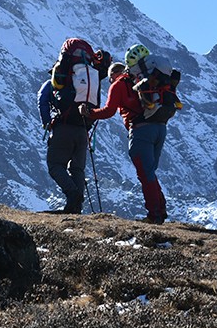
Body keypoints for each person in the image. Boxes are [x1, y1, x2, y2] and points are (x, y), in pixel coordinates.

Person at [79, 53, 169, 224]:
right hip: (160, 128)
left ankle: (154, 215)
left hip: (141, 132)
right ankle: (161, 209)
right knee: (150, 172)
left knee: (145, 173)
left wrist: (89, 113)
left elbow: (108, 111)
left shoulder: (118, 85)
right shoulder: (141, 81)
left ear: (112, 75)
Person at [38, 73, 91, 214]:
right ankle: (76, 208)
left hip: (63, 129)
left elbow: (42, 100)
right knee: (77, 169)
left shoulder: (53, 84)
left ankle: (73, 195)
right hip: (82, 131)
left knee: (55, 165)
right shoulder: (84, 85)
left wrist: (46, 122)